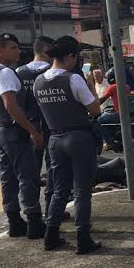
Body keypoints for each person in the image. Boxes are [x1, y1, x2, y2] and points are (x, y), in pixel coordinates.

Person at [34, 35, 102, 254]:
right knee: (82, 189)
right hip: (78, 138)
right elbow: (95, 110)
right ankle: (83, 238)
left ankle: (51, 235)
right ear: (70, 56)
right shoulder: (73, 79)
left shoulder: (39, 81)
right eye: (76, 57)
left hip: (54, 139)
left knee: (59, 189)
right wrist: (91, 86)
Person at [0, 33, 45, 239]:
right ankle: (34, 221)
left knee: (8, 178)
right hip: (14, 130)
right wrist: (32, 130)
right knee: (28, 176)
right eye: (13, 47)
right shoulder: (5, 73)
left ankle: (14, 221)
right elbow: (10, 104)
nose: (18, 51)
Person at [16, 36, 56, 217]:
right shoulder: (52, 72)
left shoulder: (18, 72)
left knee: (30, 173)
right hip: (51, 125)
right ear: (46, 49)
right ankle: (52, 210)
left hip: (27, 127)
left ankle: (33, 215)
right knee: (53, 169)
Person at [98, 68, 131, 149]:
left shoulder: (112, 87)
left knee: (100, 120)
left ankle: (110, 142)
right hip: (127, 112)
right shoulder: (126, 86)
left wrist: (94, 105)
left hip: (120, 114)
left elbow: (103, 99)